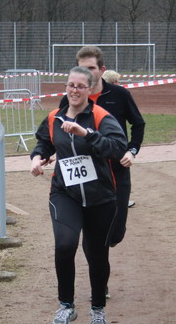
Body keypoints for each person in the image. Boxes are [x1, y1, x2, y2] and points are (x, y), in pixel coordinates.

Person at [31, 66, 127, 324]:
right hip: (65, 193)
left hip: (100, 197)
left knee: (96, 254)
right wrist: (37, 158)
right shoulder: (54, 117)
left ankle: (97, 309)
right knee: (65, 244)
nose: (74, 90)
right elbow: (44, 143)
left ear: (90, 89)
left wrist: (87, 134)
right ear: (66, 87)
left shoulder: (100, 117)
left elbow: (117, 148)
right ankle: (66, 305)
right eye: (70, 85)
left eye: (80, 86)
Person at [61, 46, 145, 240]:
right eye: (82, 68)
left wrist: (132, 151)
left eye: (91, 68)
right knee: (91, 232)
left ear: (102, 70)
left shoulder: (119, 94)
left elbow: (138, 124)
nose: (87, 73)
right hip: (83, 170)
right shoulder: (69, 99)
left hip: (115, 167)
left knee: (115, 231)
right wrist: (49, 152)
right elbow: (58, 129)